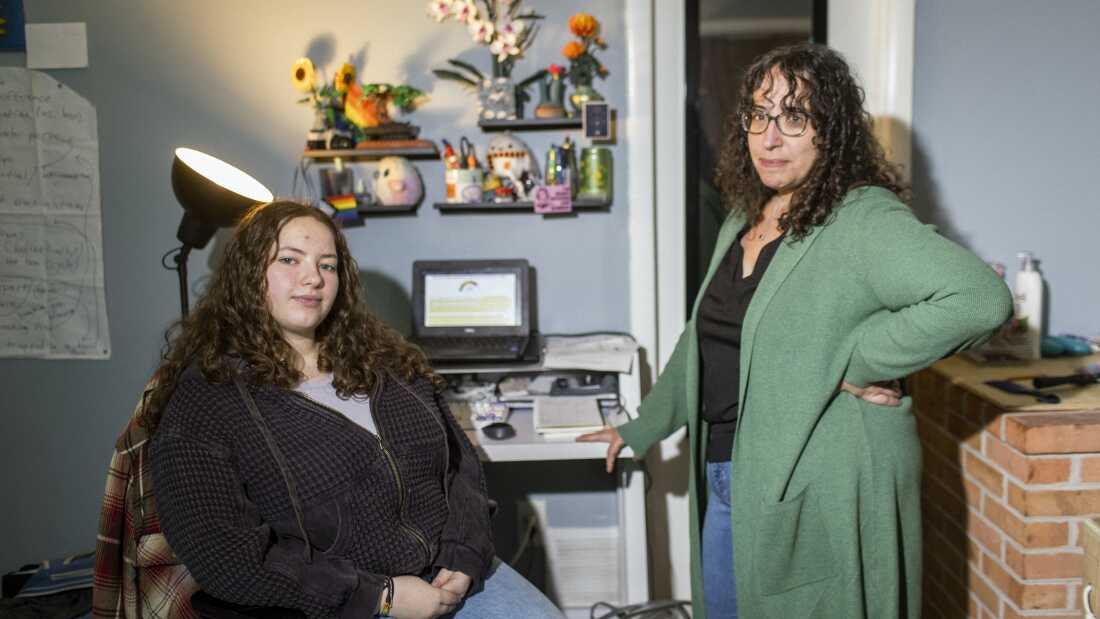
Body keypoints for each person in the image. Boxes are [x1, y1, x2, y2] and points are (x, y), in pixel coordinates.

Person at [579, 43, 1012, 619]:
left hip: (817, 473)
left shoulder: (863, 218)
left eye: (795, 117)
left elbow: (979, 299)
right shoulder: (745, 216)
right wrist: (643, 427)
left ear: (830, 132)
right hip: (731, 468)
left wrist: (857, 359)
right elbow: (705, 339)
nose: (770, 137)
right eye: (759, 116)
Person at [143, 200, 562, 619]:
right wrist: (384, 595)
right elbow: (225, 558)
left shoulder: (388, 363)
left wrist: (463, 556)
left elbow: (460, 471)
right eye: (289, 259)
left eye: (327, 265)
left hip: (446, 576)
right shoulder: (207, 399)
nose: (312, 278)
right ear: (248, 273)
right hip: (338, 603)